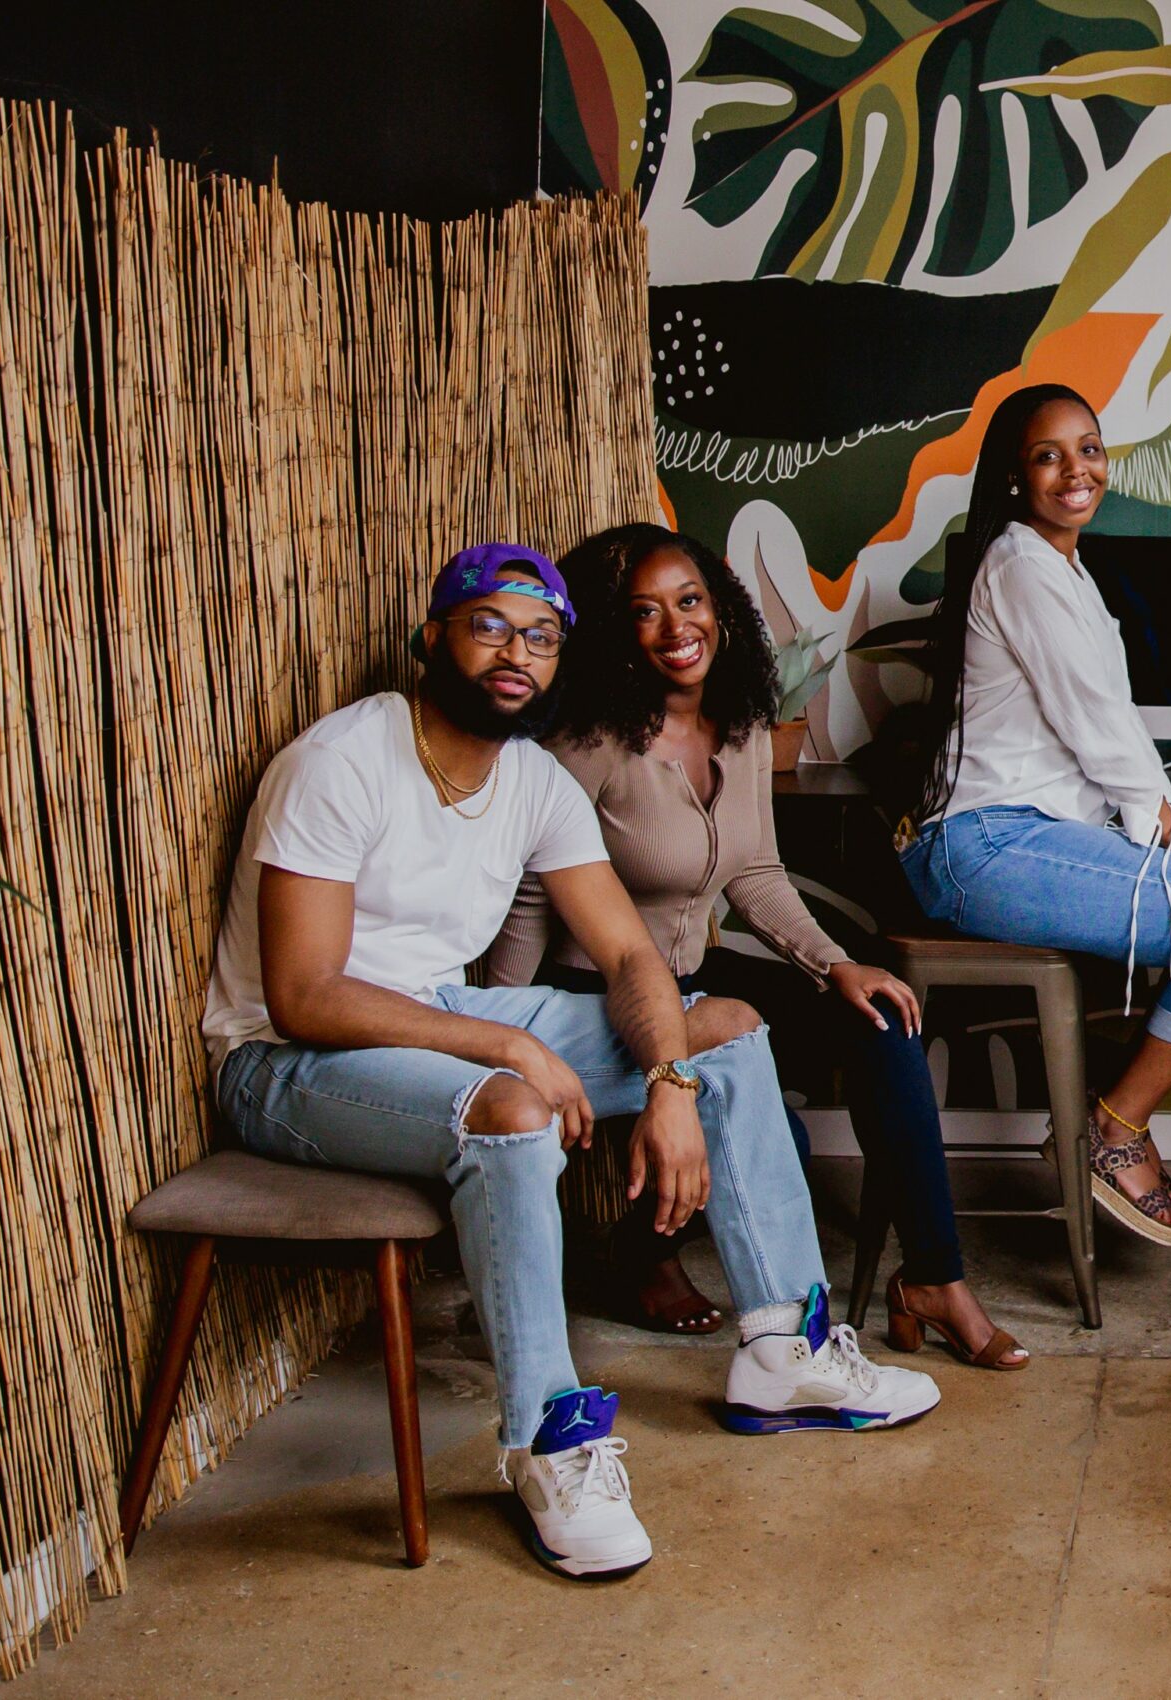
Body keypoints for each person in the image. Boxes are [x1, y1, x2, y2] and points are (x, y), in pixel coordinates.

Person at [203, 544, 939, 1582]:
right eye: (490, 627)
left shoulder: (533, 779)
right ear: (433, 639)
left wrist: (671, 1083)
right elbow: (305, 994)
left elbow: (632, 955)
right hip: (284, 1063)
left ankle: (786, 1350)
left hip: (434, 1015)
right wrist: (510, 1043)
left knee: (725, 1026)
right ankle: (549, 1441)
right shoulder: (344, 760)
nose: (517, 653)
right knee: (512, 1108)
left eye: (541, 637)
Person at [484, 524, 1026, 1371]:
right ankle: (642, 1251)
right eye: (647, 612)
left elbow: (758, 874)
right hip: (595, 991)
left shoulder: (741, 727)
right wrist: (501, 1035)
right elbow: (530, 892)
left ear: (722, 610)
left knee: (881, 1023)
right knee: (787, 1144)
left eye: (690, 601)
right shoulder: (589, 743)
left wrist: (836, 964)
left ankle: (934, 1278)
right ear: (618, 631)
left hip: (698, 978)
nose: (677, 627)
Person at [897, 383, 1171, 1247]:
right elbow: (1097, 721)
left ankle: (1114, 1124)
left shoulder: (1058, 568)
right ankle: (1114, 1132)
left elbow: (1101, 725)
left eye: (1088, 449)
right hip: (987, 845)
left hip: (1010, 839)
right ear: (1014, 476)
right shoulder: (1021, 565)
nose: (1076, 470)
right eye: (1048, 456)